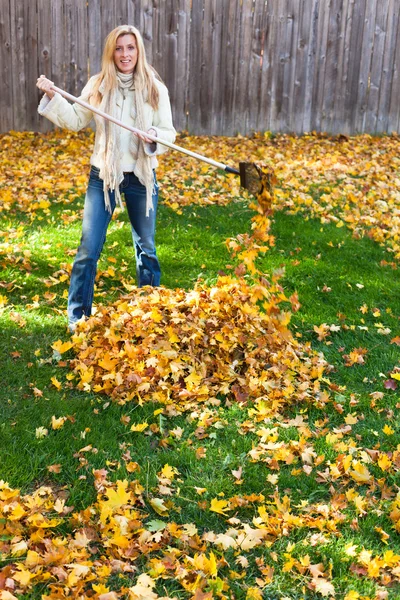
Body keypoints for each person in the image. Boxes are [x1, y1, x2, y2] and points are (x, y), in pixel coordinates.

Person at [36, 25, 176, 332]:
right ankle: (78, 317)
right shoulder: (98, 85)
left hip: (141, 176)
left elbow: (168, 133)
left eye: (130, 48)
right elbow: (74, 120)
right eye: (119, 48)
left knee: (146, 248)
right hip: (104, 175)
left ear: (138, 51)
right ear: (111, 52)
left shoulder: (154, 88)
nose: (125, 54)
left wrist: (153, 136)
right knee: (89, 248)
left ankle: (148, 313)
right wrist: (52, 96)